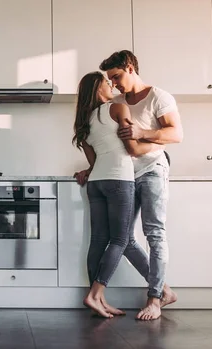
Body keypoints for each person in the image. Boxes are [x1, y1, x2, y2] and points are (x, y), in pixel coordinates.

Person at [97, 50, 183, 321]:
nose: (114, 84)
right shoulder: (118, 102)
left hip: (153, 170)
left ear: (131, 67)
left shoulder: (159, 97)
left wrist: (141, 132)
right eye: (110, 80)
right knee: (125, 238)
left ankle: (154, 299)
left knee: (154, 233)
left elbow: (176, 133)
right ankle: (165, 290)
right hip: (124, 176)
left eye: (117, 77)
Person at [72, 71, 164, 318]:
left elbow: (93, 162)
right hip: (119, 181)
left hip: (97, 183)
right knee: (120, 240)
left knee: (99, 239)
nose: (112, 85)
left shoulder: (84, 121)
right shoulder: (118, 108)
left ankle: (99, 300)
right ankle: (95, 294)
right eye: (106, 82)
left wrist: (88, 172)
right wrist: (160, 144)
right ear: (98, 89)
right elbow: (132, 149)